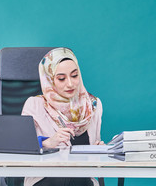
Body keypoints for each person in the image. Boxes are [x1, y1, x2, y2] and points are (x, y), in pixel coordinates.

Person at [22, 47, 104, 186]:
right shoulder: (34, 105)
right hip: (46, 179)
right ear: (49, 79)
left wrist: (99, 150)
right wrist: (48, 143)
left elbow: (93, 160)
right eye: (61, 78)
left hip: (82, 179)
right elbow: (21, 147)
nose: (70, 84)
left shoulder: (93, 105)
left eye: (74, 75)